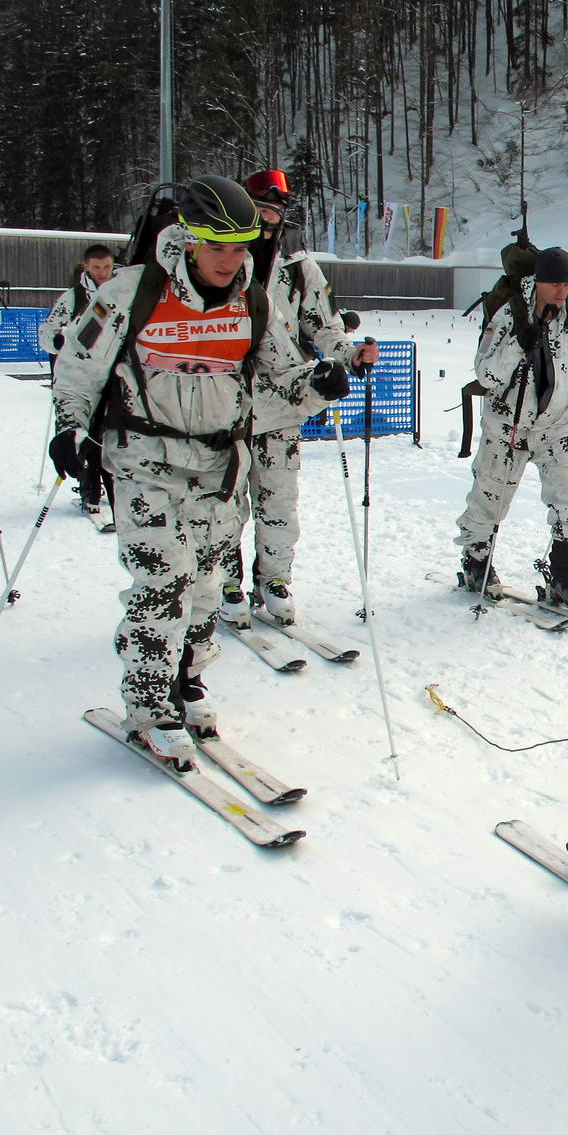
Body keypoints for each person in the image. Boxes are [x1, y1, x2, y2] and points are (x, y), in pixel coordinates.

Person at [49, 175, 348, 765]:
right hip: (144, 461)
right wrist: (70, 429)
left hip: (217, 466)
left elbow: (284, 375)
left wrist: (320, 382)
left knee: (208, 587)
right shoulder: (131, 293)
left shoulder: (252, 300)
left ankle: (186, 680)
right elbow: (78, 369)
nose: (231, 260)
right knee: (162, 582)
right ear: (188, 239)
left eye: (240, 247)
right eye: (218, 247)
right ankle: (148, 703)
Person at [216, 168, 377, 629]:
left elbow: (323, 325)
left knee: (280, 501)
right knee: (226, 501)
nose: (268, 218)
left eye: (275, 210)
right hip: (224, 405)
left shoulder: (297, 264)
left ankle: (275, 580)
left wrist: (350, 356)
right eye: (260, 209)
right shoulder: (222, 253)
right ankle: (227, 580)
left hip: (282, 401)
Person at [453, 246, 568, 613]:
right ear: (537, 282)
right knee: (490, 499)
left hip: (559, 425)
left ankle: (564, 575)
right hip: (509, 424)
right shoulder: (510, 315)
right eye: (552, 283)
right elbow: (486, 374)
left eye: (565, 283)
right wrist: (519, 345)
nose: (559, 291)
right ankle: (477, 561)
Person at [40, 243, 117, 519]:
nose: (103, 272)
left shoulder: (122, 291)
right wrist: (59, 341)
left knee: (113, 434)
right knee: (88, 433)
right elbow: (47, 333)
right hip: (84, 375)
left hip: (114, 375)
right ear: (86, 267)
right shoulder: (73, 297)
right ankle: (89, 489)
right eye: (97, 267)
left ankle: (114, 490)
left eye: (107, 266)